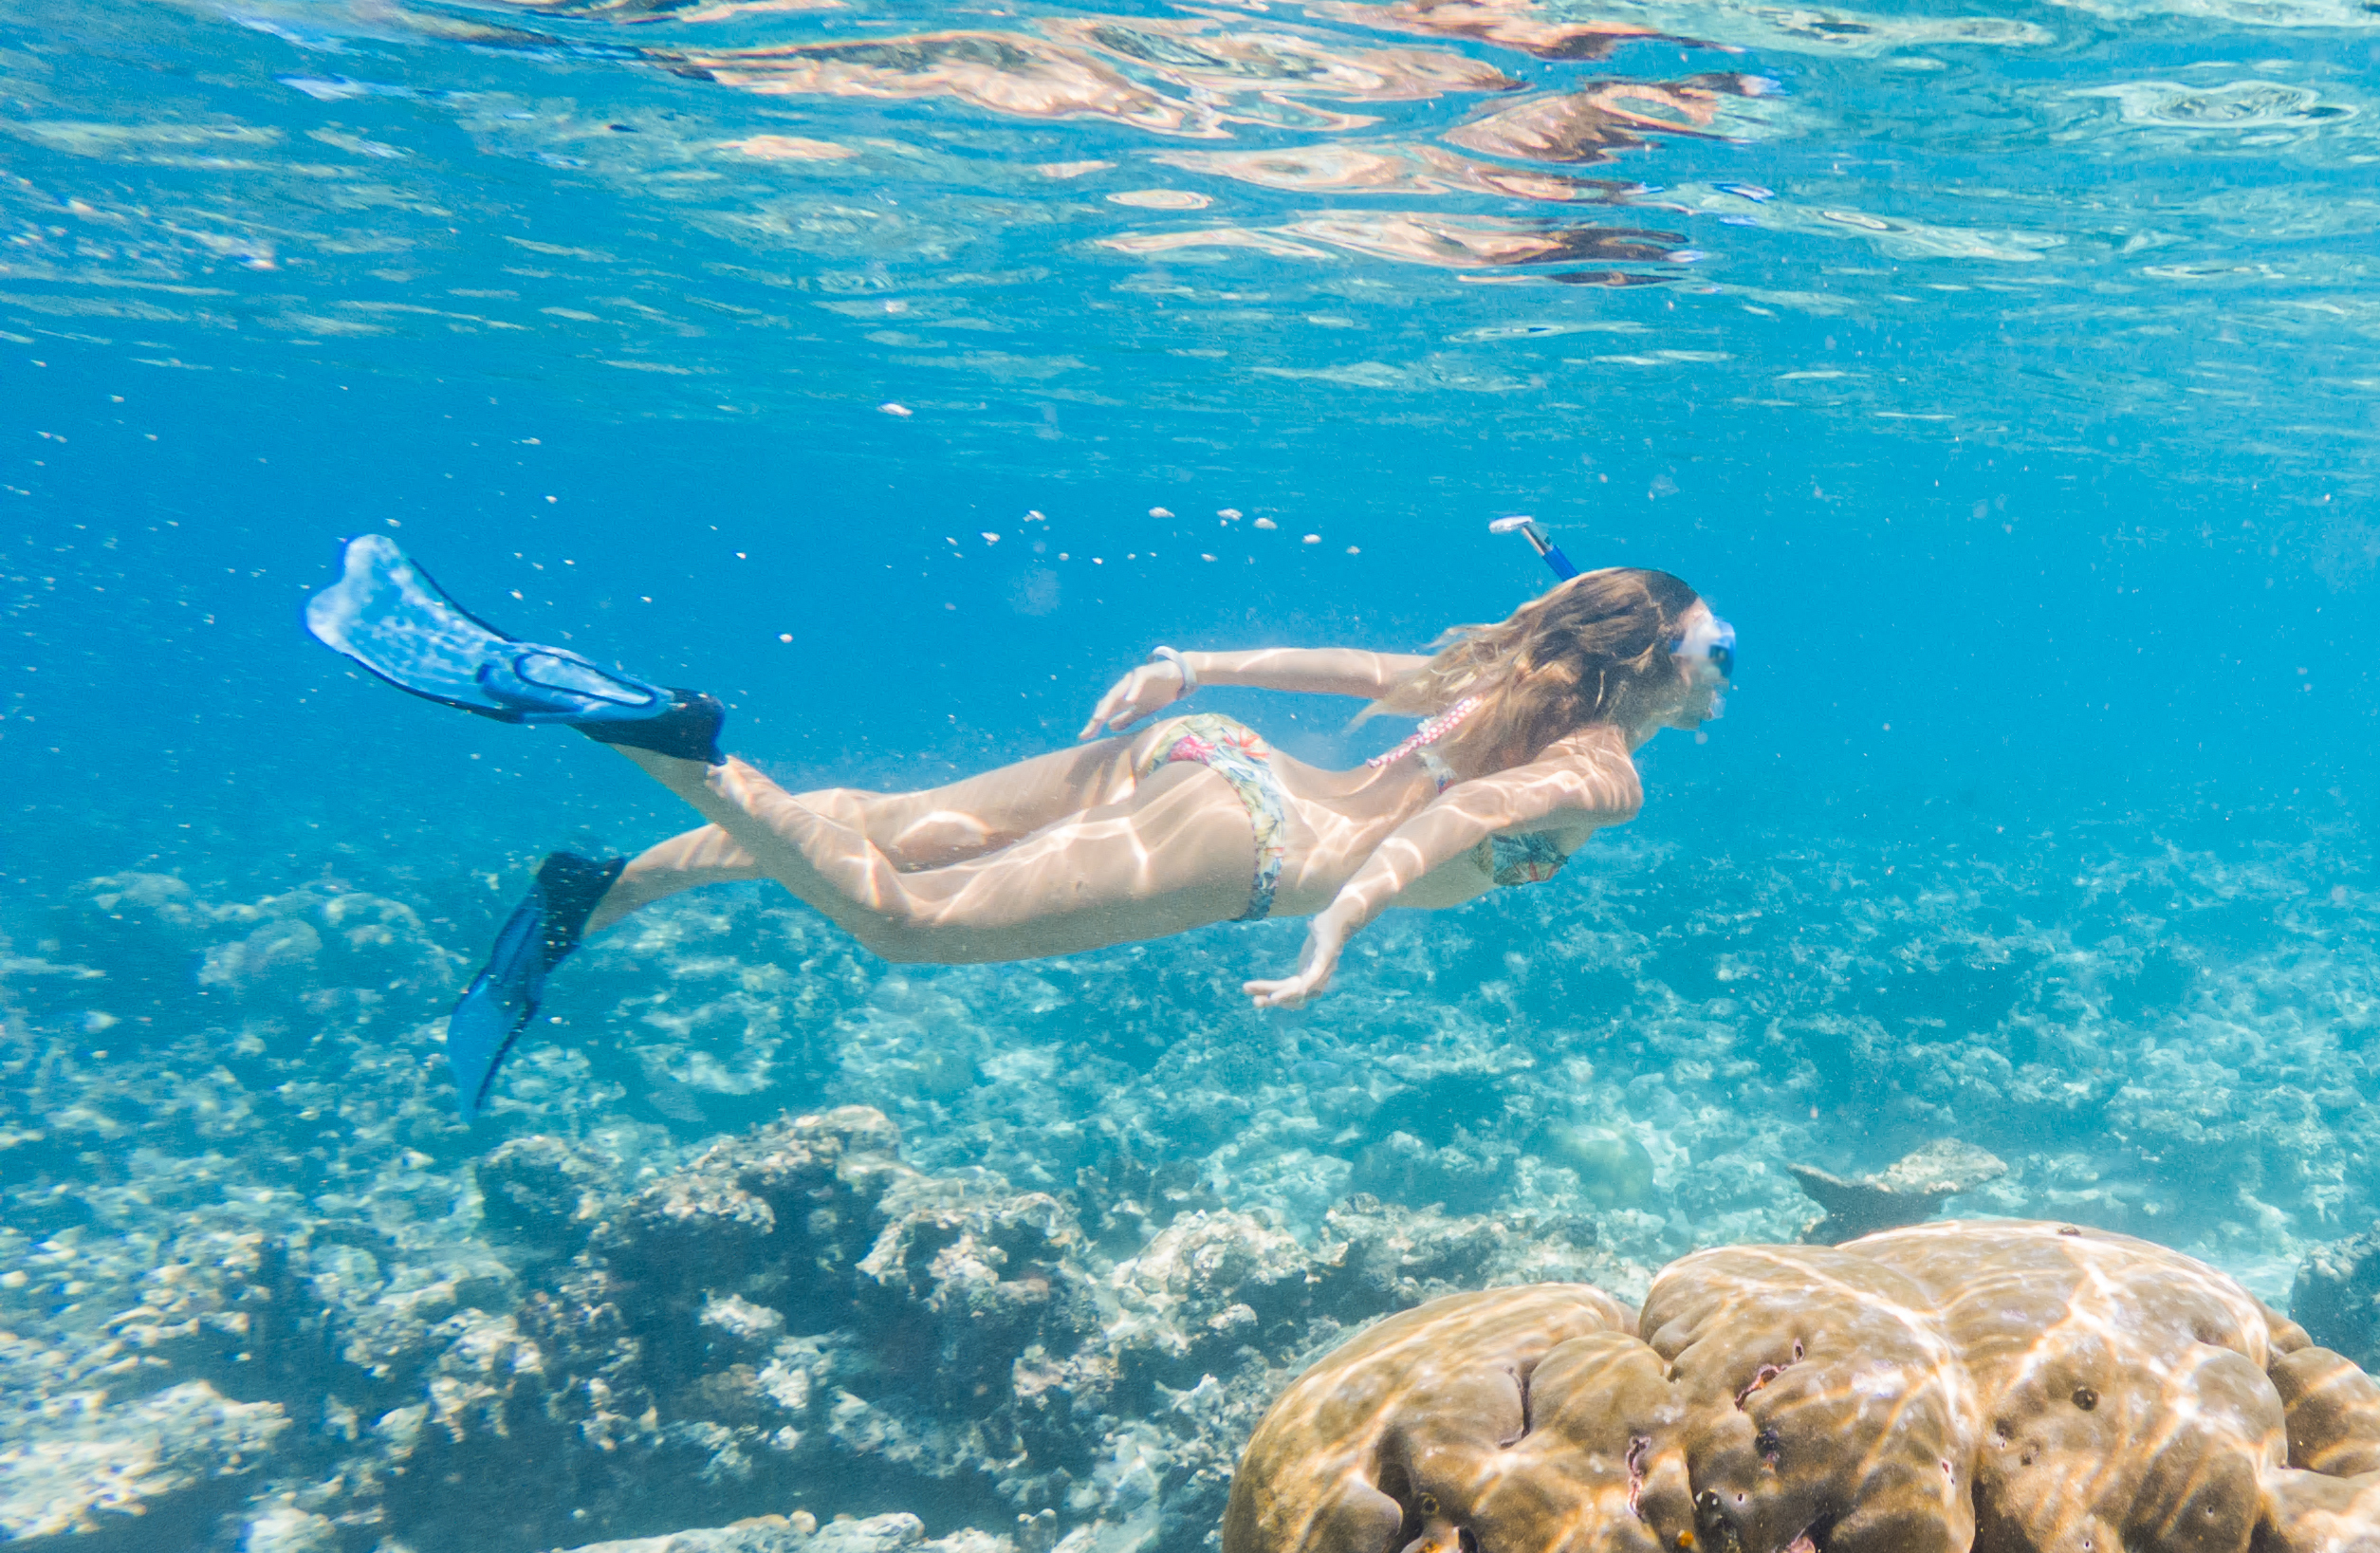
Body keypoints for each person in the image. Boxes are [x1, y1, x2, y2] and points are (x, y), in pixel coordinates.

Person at [303, 521, 1735, 1112]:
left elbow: (1365, 672)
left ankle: (589, 898)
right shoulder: (1605, 769)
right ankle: (664, 740)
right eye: (1719, 653)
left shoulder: (1508, 678)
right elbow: (1450, 827)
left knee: (891, 821)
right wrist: (1342, 927)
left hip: (1205, 756)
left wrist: (1201, 664)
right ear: (1660, 668)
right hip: (1257, 850)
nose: (1726, 673)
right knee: (907, 921)